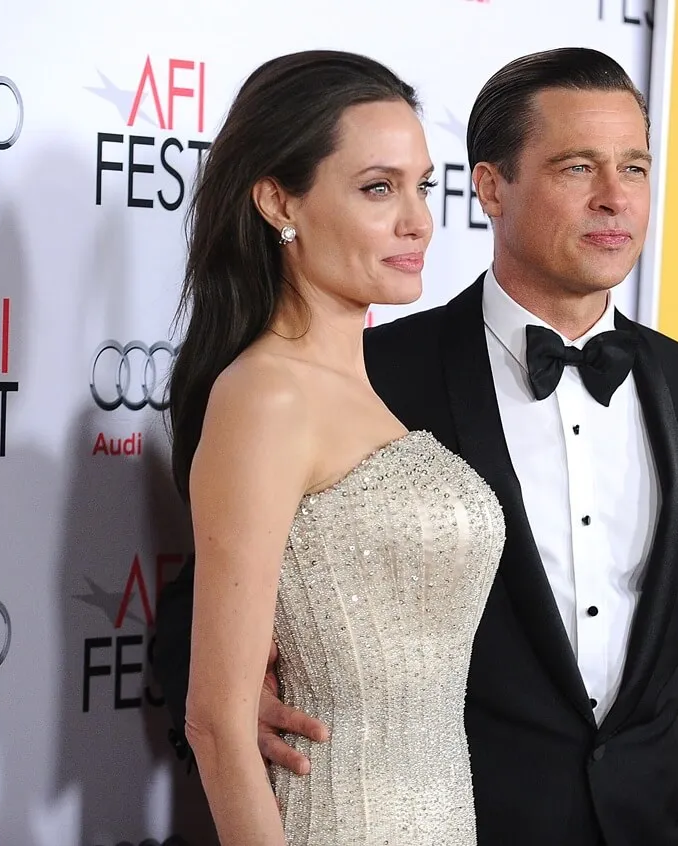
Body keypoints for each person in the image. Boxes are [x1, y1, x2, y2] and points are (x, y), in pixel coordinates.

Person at [156, 47, 678, 846]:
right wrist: (248, 696)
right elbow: (213, 634)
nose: (614, 199)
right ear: (493, 186)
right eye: (578, 167)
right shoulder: (377, 375)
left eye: (634, 168)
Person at [167, 50, 506, 845]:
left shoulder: (372, 391)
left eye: (422, 185)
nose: (419, 219)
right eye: (378, 188)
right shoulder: (267, 395)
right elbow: (217, 724)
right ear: (277, 200)